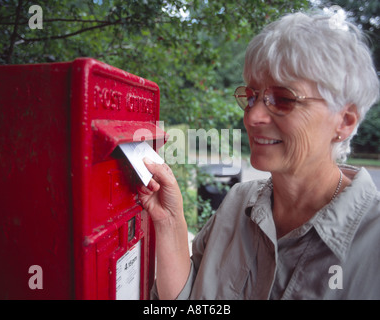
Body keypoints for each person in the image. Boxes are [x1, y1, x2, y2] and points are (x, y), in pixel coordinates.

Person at [138, 11, 380, 299]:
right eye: (251, 97)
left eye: (283, 99)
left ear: (345, 121)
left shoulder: (372, 242)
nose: (252, 116)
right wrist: (170, 222)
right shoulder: (237, 202)